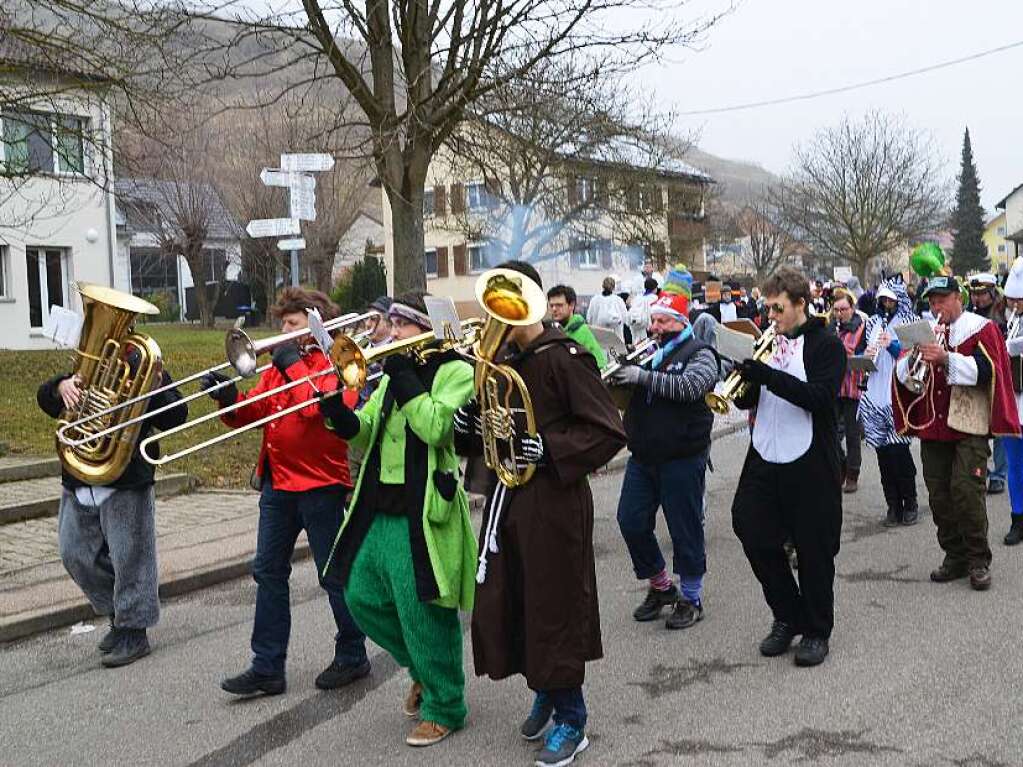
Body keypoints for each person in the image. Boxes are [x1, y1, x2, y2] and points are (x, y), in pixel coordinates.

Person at [455, 261, 626, 767]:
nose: (498, 316)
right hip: (509, 500)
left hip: (554, 501)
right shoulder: (501, 360)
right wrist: (467, 425)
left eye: (508, 303)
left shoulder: (565, 358)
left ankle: (572, 717)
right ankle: (547, 692)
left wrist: (545, 448)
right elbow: (486, 439)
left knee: (555, 605)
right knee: (519, 600)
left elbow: (608, 430)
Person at [319, 292, 476, 748]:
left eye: (401, 326)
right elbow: (367, 429)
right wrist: (340, 418)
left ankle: (446, 704)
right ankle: (423, 671)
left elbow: (436, 428)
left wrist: (406, 380)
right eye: (392, 325)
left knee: (423, 608)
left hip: (424, 510)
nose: (390, 334)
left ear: (425, 328)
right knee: (360, 595)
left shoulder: (455, 372)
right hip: (377, 506)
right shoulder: (392, 376)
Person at [205, 288, 369, 697]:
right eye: (281, 325)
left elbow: (318, 410)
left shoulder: (339, 361)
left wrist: (293, 365)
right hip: (278, 484)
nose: (282, 332)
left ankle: (353, 653)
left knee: (333, 574)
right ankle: (267, 666)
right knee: (268, 573)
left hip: (321, 484)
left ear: (314, 324)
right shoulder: (279, 367)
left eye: (291, 324)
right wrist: (227, 400)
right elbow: (255, 412)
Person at [37, 350, 187, 667]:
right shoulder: (92, 363)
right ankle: (121, 614)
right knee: (73, 553)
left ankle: (134, 629)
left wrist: (152, 391)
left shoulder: (146, 365)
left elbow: (177, 414)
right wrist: (60, 386)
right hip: (80, 474)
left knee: (130, 557)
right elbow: (46, 401)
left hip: (126, 475)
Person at [730, 267, 846, 667]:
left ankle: (816, 630)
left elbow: (819, 398)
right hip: (765, 452)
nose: (771, 317)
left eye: (778, 309)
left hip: (811, 459)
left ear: (801, 304)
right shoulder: (769, 341)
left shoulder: (826, 345)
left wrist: (768, 375)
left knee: (814, 548)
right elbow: (753, 401)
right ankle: (787, 613)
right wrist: (745, 383)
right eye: (768, 309)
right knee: (749, 526)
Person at [893, 274, 1020, 590]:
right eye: (932, 301)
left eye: (942, 299)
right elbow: (907, 380)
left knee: (966, 491)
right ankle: (955, 556)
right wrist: (910, 361)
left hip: (968, 424)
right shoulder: (923, 332)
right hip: (933, 426)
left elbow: (989, 371)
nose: (937, 306)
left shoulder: (980, 328)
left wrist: (947, 357)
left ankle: (978, 560)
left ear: (957, 298)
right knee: (939, 495)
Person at [611, 275, 720, 632]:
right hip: (643, 456)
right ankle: (661, 587)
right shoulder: (649, 352)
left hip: (682, 455)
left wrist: (642, 378)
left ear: (681, 323)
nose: (655, 327)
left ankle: (692, 597)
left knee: (684, 529)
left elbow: (690, 387)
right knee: (630, 519)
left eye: (662, 321)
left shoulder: (701, 352)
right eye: (654, 320)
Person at [857, 275, 920, 527]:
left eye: (890, 299)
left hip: (898, 391)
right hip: (875, 390)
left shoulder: (910, 322)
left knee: (899, 452)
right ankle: (892, 505)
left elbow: (915, 356)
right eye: (882, 299)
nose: (885, 303)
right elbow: (862, 354)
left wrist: (892, 346)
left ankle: (910, 502)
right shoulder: (872, 322)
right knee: (883, 454)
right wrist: (866, 354)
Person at [967, 273, 1009, 494]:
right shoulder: (969, 315)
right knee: (979, 427)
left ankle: (999, 474)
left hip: (999, 376)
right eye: (974, 293)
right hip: (977, 376)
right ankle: (980, 470)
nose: (977, 298)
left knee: (1000, 429)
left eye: (982, 293)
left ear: (992, 292)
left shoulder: (1003, 316)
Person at [831, 293, 867, 493]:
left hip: (853, 387)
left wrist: (857, 355)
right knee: (831, 433)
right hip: (834, 387)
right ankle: (841, 465)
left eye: (843, 309)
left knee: (853, 434)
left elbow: (868, 354)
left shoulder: (862, 327)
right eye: (836, 310)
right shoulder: (831, 328)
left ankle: (853, 473)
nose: (839, 314)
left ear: (851, 309)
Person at [999, 257, 1023, 545]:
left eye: (1019, 300)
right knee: (1015, 465)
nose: (1015, 305)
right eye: (1013, 300)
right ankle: (1018, 518)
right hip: (1013, 402)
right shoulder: (1008, 321)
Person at [547, 284, 607, 367]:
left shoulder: (583, 332)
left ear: (571, 305)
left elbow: (600, 364)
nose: (554, 309)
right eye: (551, 305)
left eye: (559, 305)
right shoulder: (552, 331)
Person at [586, 275, 628, 343]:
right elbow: (625, 318)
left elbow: (589, 318)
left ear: (602, 286)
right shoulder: (618, 300)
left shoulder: (594, 300)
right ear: (614, 287)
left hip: (599, 339)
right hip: (616, 339)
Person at [627, 277, 660, 344]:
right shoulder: (655, 298)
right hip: (649, 327)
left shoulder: (639, 298)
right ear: (654, 288)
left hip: (637, 326)